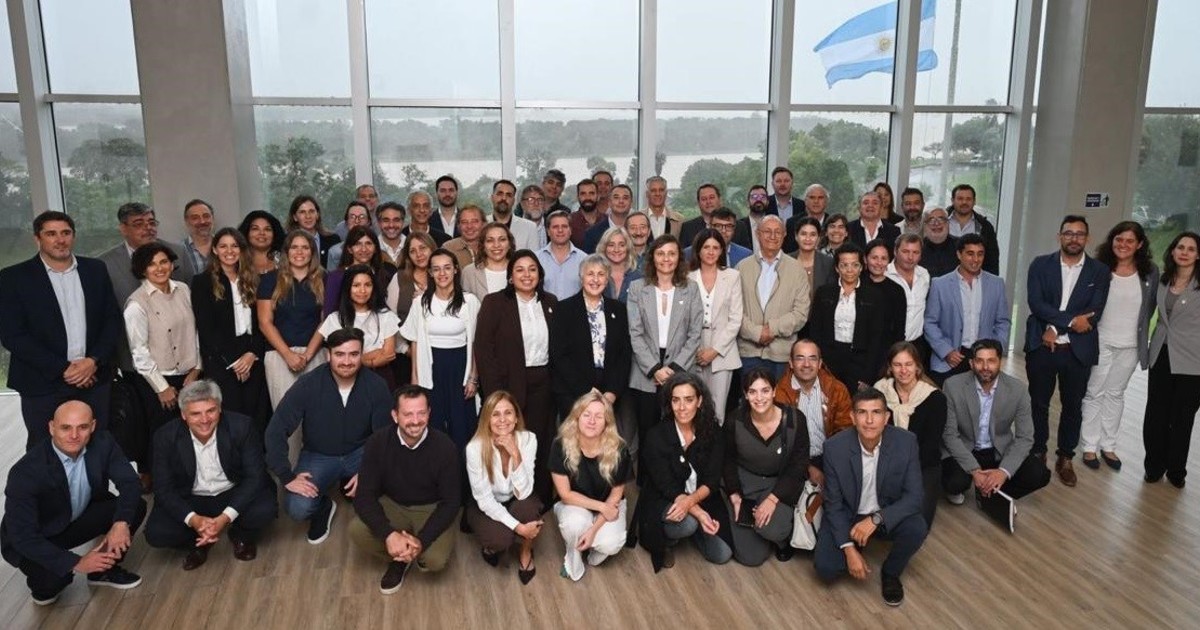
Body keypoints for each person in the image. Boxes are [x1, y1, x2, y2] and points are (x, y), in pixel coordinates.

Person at [1, 401, 147, 605]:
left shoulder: (103, 443)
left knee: (134, 507)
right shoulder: (26, 471)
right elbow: (23, 536)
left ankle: (102, 570)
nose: (74, 435)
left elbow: (130, 483)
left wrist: (121, 523)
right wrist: (77, 562)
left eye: (82, 427)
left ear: (93, 426)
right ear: (52, 427)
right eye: (65, 428)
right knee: (53, 583)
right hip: (35, 536)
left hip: (71, 518)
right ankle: (46, 584)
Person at [0, 211, 122, 449]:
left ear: (73, 236)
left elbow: (112, 320)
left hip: (94, 378)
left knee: (97, 447)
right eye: (51, 234)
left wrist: (93, 361)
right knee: (44, 450)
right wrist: (64, 369)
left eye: (66, 233)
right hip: (42, 382)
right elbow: (13, 335)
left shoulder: (95, 269)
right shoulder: (12, 278)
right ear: (37, 239)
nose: (60, 240)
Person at [265, 328, 393, 545]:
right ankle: (324, 507)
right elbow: (276, 429)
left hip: (360, 454)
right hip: (319, 455)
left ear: (361, 354)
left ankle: (354, 488)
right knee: (297, 507)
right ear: (328, 355)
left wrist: (369, 471)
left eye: (354, 354)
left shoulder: (376, 386)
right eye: (340, 354)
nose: (347, 361)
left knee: (393, 481)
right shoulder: (308, 384)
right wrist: (287, 476)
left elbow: (385, 435)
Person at [144, 380, 277, 570]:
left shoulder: (242, 426)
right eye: (195, 414)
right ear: (183, 415)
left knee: (265, 510)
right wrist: (194, 520)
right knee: (157, 533)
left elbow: (255, 476)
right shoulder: (164, 436)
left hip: (233, 490)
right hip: (191, 497)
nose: (204, 419)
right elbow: (163, 488)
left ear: (220, 408)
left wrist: (225, 518)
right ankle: (199, 541)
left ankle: (240, 535)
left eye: (211, 411)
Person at [813, 388, 927, 607]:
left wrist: (876, 519)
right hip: (849, 513)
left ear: (886, 417)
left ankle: (891, 573)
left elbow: (914, 496)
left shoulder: (906, 442)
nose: (869, 420)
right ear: (852, 417)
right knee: (826, 569)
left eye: (876, 412)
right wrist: (848, 549)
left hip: (883, 512)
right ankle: (857, 543)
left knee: (917, 527)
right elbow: (833, 505)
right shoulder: (834, 448)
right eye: (862, 412)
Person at [1024, 215, 1110, 486]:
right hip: (1042, 346)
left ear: (1087, 238)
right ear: (1059, 236)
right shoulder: (1040, 265)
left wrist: (1057, 327)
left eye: (1079, 234)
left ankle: (1065, 457)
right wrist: (1066, 323)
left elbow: (1094, 311)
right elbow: (1036, 303)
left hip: (1077, 350)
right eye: (1069, 233)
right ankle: (1038, 451)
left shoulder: (1099, 271)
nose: (1074, 238)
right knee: (1038, 403)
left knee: (1073, 406)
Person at [350, 385, 461, 594]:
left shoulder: (445, 447)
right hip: (393, 503)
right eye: (408, 414)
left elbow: (451, 502)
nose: (415, 421)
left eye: (421, 413)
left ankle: (408, 552)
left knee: (435, 560)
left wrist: (421, 541)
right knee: (357, 531)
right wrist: (389, 535)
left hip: (430, 507)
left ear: (429, 413)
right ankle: (400, 558)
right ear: (395, 415)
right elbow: (364, 496)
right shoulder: (377, 442)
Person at [475, 251, 557, 503]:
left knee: (540, 440)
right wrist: (496, 394)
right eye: (519, 270)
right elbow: (484, 349)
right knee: (508, 437)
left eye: (532, 269)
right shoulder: (494, 303)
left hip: (544, 383)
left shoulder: (551, 302)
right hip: (507, 384)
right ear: (510, 276)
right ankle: (505, 497)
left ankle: (537, 497)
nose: (526, 275)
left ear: (540, 274)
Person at [1080, 222, 1158, 471]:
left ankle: (1108, 445)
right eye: (1119, 239)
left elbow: (1150, 307)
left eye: (1129, 241)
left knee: (1115, 393)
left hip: (1131, 345)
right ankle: (1089, 446)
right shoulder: (1098, 268)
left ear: (1140, 244)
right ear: (1111, 241)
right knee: (1095, 392)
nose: (1123, 245)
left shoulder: (1150, 272)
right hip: (1100, 340)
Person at [636, 373, 733, 572]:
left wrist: (693, 504)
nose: (682, 407)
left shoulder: (713, 431)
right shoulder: (656, 435)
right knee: (687, 523)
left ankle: (695, 528)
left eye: (688, 400)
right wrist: (697, 512)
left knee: (722, 554)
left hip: (702, 497)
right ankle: (669, 541)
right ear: (669, 403)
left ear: (699, 401)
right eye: (676, 400)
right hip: (666, 498)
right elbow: (666, 485)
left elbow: (713, 480)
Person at [942, 339, 1051, 516]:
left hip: (998, 449)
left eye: (991, 361)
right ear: (971, 363)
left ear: (1000, 362)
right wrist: (975, 471)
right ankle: (986, 487)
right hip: (965, 447)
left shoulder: (1018, 389)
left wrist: (1003, 472)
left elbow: (1025, 438)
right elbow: (949, 435)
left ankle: (992, 491)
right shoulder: (953, 385)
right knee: (954, 483)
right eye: (979, 361)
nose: (985, 367)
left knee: (1039, 474)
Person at [124, 242, 202, 481]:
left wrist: (196, 369)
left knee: (195, 433)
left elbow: (197, 332)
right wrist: (162, 388)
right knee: (165, 438)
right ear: (142, 270)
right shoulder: (136, 304)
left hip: (190, 376)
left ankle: (193, 482)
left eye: (164, 261)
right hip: (159, 381)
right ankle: (165, 488)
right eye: (152, 264)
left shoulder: (184, 289)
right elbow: (139, 352)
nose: (159, 268)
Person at [722, 368, 808, 566]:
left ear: (774, 391)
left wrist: (772, 499)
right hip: (745, 484)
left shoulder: (795, 419)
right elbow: (727, 460)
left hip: (778, 485)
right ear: (745, 395)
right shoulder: (734, 420)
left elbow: (798, 465)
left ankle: (779, 538)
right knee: (750, 558)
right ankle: (754, 526)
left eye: (765, 390)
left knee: (772, 529)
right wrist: (734, 494)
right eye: (752, 392)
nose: (759, 398)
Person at [399, 249, 481, 450]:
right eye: (436, 269)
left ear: (455, 270)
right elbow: (415, 341)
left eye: (447, 268)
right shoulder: (420, 303)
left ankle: (462, 470)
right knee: (433, 426)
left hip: (460, 367)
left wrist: (473, 377)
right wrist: (415, 378)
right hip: (431, 367)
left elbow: (476, 342)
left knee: (462, 427)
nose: (442, 273)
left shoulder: (470, 302)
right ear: (430, 272)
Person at [627, 234, 704, 448]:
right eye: (660, 254)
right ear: (652, 257)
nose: (666, 259)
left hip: (680, 368)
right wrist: (654, 369)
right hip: (646, 372)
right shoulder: (637, 288)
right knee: (647, 434)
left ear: (679, 257)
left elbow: (695, 334)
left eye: (672, 253)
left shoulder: (691, 289)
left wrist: (673, 370)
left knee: (676, 432)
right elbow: (635, 333)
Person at [191, 227, 270, 433]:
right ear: (215, 250)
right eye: (223, 246)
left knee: (257, 417)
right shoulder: (202, 282)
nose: (229, 251)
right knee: (230, 420)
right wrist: (235, 362)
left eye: (234, 246)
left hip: (252, 354)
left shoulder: (253, 279)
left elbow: (262, 322)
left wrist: (252, 354)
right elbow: (206, 329)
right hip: (222, 360)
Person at [550, 391, 633, 581]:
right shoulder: (560, 445)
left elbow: (615, 496)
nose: (592, 421)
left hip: (609, 505)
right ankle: (573, 557)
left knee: (612, 543)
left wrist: (594, 529)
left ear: (607, 422)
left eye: (598, 416)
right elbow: (565, 494)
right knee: (574, 524)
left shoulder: (620, 449)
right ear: (577, 418)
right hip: (575, 504)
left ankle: (592, 554)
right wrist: (601, 507)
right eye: (586, 414)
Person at [464, 391, 543, 584]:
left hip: (516, 498)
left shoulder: (528, 439)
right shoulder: (475, 448)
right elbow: (485, 501)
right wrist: (519, 528)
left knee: (528, 506)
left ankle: (526, 552)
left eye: (508, 413)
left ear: (516, 418)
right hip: (487, 504)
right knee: (501, 539)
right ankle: (491, 546)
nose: (502, 420)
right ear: (487, 420)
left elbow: (524, 492)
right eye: (495, 414)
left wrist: (515, 453)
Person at [1143, 231, 1200, 488]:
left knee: (1181, 419)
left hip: (1193, 360)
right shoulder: (1163, 280)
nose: (1184, 252)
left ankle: (1176, 470)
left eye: (1191, 249)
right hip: (1161, 354)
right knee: (1156, 415)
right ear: (1173, 251)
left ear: (1198, 255)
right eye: (1180, 247)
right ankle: (1154, 466)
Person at [549, 254, 633, 418]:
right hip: (573, 391)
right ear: (581, 278)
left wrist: (612, 391)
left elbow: (624, 354)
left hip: (608, 392)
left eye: (601, 274)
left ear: (607, 279)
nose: (595, 279)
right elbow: (559, 355)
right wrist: (586, 391)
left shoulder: (618, 309)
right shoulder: (564, 309)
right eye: (590, 274)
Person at [923, 234, 1011, 386]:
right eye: (970, 253)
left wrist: (995, 349)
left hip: (983, 357)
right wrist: (946, 351)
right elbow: (930, 323)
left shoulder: (996, 284)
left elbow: (1003, 321)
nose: (975, 259)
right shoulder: (940, 284)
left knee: (981, 400)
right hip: (950, 358)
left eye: (980, 254)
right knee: (948, 400)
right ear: (959, 254)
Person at [875, 342, 946, 527]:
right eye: (897, 365)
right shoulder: (879, 393)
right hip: (885, 462)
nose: (903, 370)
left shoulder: (935, 398)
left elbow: (930, 445)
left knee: (918, 522)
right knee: (877, 515)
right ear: (890, 368)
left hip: (923, 465)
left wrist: (905, 473)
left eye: (908, 364)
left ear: (917, 367)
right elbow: (872, 435)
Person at [257, 231, 327, 409]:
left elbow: (326, 321)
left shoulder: (325, 279)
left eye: (305, 247)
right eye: (294, 247)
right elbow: (265, 322)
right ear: (287, 252)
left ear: (312, 252)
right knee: (286, 414)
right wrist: (288, 355)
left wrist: (307, 355)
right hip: (279, 355)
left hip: (315, 353)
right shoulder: (269, 280)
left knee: (318, 413)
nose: (299, 252)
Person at [736, 215, 810, 380]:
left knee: (781, 397)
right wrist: (756, 333)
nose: (772, 236)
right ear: (758, 234)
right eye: (767, 231)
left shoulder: (797, 270)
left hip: (782, 354)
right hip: (748, 353)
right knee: (751, 396)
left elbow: (801, 313)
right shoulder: (742, 267)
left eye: (778, 232)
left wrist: (772, 329)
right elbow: (734, 311)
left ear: (784, 235)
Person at [809, 243, 890, 392]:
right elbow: (815, 331)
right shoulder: (823, 293)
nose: (849, 270)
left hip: (860, 362)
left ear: (862, 267)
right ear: (837, 268)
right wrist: (818, 363)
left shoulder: (874, 296)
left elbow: (877, 338)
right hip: (829, 360)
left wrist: (868, 376)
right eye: (844, 265)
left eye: (855, 265)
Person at [773, 339, 853, 485]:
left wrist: (831, 466)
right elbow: (780, 440)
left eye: (812, 358)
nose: (806, 364)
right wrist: (806, 467)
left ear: (820, 363)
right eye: (800, 358)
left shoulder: (836, 389)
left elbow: (845, 431)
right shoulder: (779, 393)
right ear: (791, 363)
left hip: (831, 457)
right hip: (792, 461)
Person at [688, 228, 743, 423]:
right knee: (693, 408)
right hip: (693, 348)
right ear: (698, 250)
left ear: (721, 251)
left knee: (717, 412)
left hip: (723, 350)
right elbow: (683, 318)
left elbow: (735, 319)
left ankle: (715, 444)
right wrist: (695, 348)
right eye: (706, 247)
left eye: (715, 247)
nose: (711, 252)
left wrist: (715, 350)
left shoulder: (732, 276)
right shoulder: (687, 277)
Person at [317, 264, 401, 390]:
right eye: (356, 285)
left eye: (367, 285)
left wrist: (354, 359)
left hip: (380, 378)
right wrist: (373, 357)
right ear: (348, 288)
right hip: (344, 381)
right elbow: (336, 359)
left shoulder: (386, 316)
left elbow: (388, 354)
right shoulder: (335, 319)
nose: (362, 290)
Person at [98, 202, 192, 305]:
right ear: (123, 229)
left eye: (152, 223)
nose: (148, 228)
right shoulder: (105, 263)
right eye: (139, 224)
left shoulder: (178, 252)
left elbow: (192, 292)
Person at [324, 225, 396, 317]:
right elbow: (329, 313)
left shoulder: (385, 274)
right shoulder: (336, 277)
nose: (364, 249)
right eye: (358, 244)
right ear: (349, 249)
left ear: (375, 248)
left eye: (368, 243)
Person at [886, 234, 932, 364]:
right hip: (889, 344)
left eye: (915, 252)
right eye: (905, 251)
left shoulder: (924, 275)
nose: (910, 257)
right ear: (895, 251)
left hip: (917, 344)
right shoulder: (885, 274)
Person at [863, 238, 909, 350]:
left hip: (885, 351)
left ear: (889, 261)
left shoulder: (897, 290)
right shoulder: (857, 284)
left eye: (883, 258)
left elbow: (899, 330)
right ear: (865, 259)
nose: (879, 263)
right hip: (857, 351)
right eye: (874, 258)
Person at [947, 184, 1000, 276]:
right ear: (952, 200)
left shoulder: (985, 227)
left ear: (974, 201)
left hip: (975, 280)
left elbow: (992, 259)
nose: (964, 202)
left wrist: (990, 282)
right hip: (943, 279)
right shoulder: (940, 223)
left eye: (968, 199)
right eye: (960, 199)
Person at [536, 210, 586, 300]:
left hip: (574, 308)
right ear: (548, 231)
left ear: (570, 230)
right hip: (544, 308)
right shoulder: (536, 258)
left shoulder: (584, 259)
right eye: (555, 227)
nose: (560, 230)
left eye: (564, 226)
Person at [462, 222, 514, 300]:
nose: (496, 245)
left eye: (502, 240)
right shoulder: (469, 272)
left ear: (509, 244)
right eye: (490, 240)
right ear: (483, 245)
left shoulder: (520, 270)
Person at [790, 216, 836, 304]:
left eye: (813, 234)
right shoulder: (785, 261)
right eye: (803, 234)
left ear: (818, 238)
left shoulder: (829, 263)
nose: (808, 238)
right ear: (796, 236)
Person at [285, 195, 340, 268]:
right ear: (295, 217)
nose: (308, 216)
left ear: (317, 214)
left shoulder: (333, 240)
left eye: (311, 211)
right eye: (302, 212)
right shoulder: (285, 241)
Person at [582, 183, 635, 254]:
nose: (621, 201)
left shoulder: (639, 232)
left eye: (625, 198)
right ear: (609, 202)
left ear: (631, 203)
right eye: (616, 197)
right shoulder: (592, 233)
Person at [594, 225, 641, 302]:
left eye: (621, 245)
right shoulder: (595, 276)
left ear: (628, 247)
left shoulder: (638, 276)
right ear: (604, 248)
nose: (616, 250)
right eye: (611, 245)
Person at [490, 179, 540, 251]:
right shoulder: (481, 225)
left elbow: (533, 257)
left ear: (513, 201)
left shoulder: (530, 227)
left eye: (509, 195)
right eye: (500, 194)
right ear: (492, 198)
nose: (504, 198)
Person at [237, 210, 285, 275]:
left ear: (275, 234)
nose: (262, 233)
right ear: (246, 233)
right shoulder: (236, 261)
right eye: (255, 229)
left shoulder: (285, 260)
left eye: (267, 229)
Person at [678, 182, 722, 248]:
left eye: (712, 197)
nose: (708, 202)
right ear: (698, 203)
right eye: (704, 199)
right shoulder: (687, 228)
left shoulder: (736, 227)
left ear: (719, 200)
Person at [328, 201, 373, 265]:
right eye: (352, 217)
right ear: (346, 222)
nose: (357, 221)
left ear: (368, 222)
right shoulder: (334, 252)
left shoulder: (379, 249)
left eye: (362, 217)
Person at [920, 207, 958, 278]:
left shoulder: (960, 246)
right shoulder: (918, 248)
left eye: (941, 219)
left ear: (948, 223)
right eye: (931, 220)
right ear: (925, 225)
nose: (936, 223)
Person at [732, 185, 770, 253]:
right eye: (754, 197)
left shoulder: (775, 224)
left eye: (762, 197)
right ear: (748, 202)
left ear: (768, 202)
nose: (758, 200)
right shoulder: (738, 226)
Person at [181, 199, 215, 273]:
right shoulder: (179, 251)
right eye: (195, 218)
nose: (202, 221)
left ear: (212, 218)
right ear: (187, 222)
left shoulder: (225, 247)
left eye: (206, 216)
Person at [568, 178, 602, 248]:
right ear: (578, 197)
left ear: (598, 196)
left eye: (591, 193)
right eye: (583, 194)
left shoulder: (607, 221)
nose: (587, 197)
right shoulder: (569, 221)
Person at [375, 202, 407, 268]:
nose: (391, 225)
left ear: (403, 222)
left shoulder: (411, 246)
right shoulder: (372, 248)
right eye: (386, 220)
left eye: (396, 220)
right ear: (379, 223)